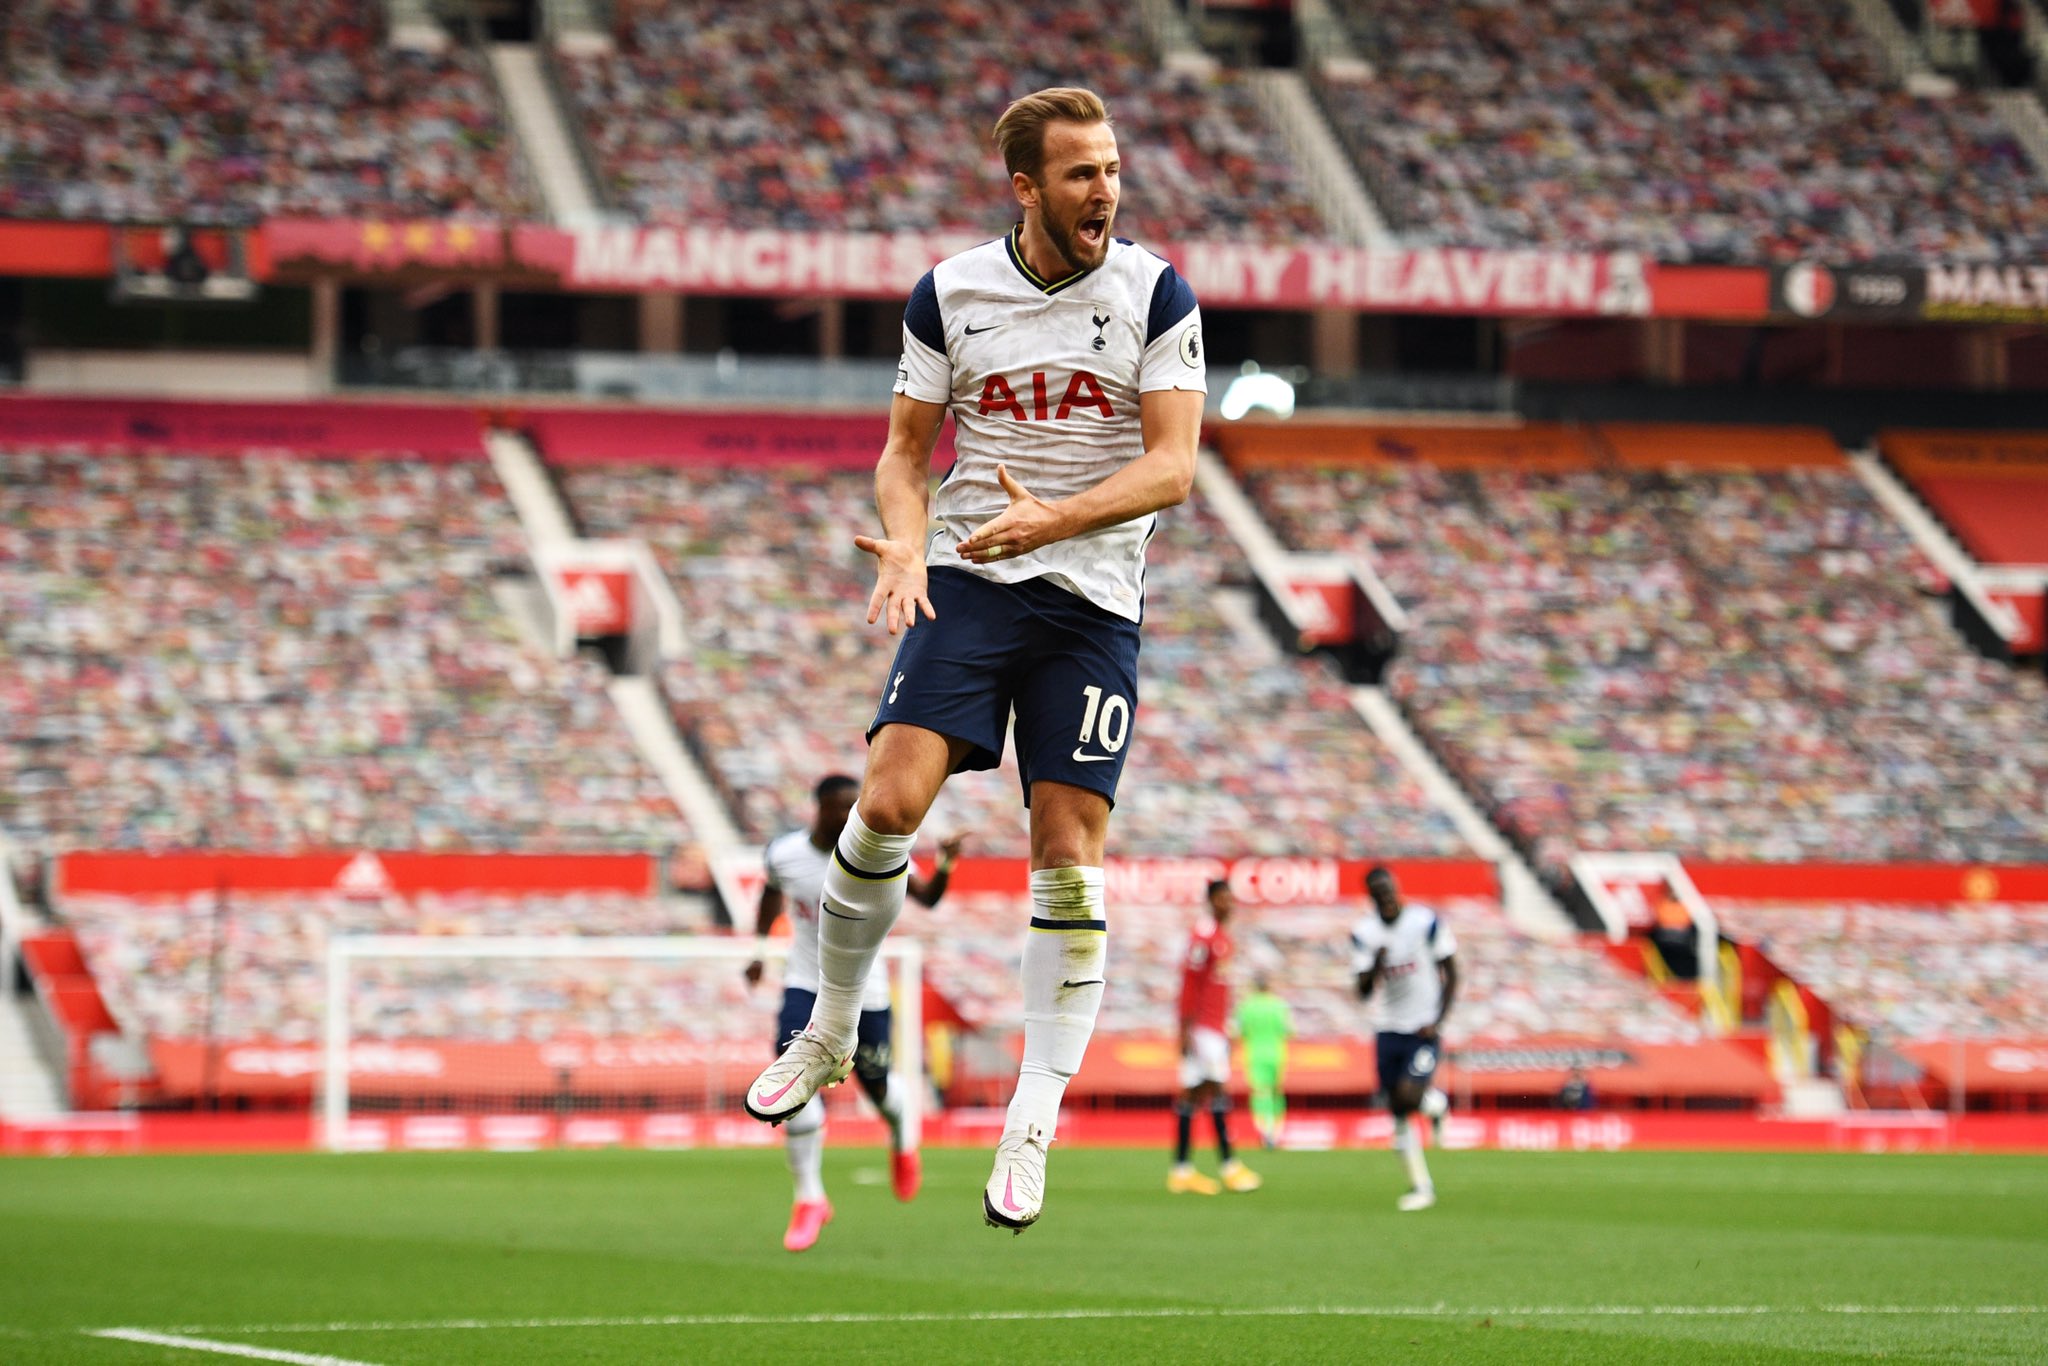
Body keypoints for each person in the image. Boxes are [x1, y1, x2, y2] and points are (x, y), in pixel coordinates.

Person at [742, 84, 1207, 1236]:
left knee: (1065, 848)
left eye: (1111, 169)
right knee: (886, 800)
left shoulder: (1154, 292)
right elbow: (904, 454)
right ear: (1025, 187)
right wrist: (907, 538)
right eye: (1081, 174)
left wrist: (1049, 520)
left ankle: (1031, 1112)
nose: (1106, 191)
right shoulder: (949, 292)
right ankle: (831, 1028)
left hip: (1089, 601)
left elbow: (1174, 467)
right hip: (966, 579)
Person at [745, 774, 965, 1252]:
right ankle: (810, 1198)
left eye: (854, 806)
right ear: (818, 808)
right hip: (806, 986)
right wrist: (760, 949)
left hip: (868, 994)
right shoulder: (784, 855)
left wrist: (945, 864)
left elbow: (927, 898)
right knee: (789, 1084)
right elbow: (769, 895)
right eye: (839, 807)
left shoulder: (874, 853)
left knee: (879, 1089)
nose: (849, 816)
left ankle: (902, 1136)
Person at [1351, 865, 1458, 1212]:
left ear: (1397, 889)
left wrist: (1439, 1020)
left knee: (1408, 1095)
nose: (1386, 897)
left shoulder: (1424, 922)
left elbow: (1452, 970)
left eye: (1389, 889)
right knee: (1397, 1109)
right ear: (1371, 897)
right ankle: (1421, 1185)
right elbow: (1363, 991)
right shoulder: (1364, 934)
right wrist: (1376, 966)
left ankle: (1432, 1105)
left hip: (1422, 1029)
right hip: (1387, 1028)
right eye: (1378, 893)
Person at [1170, 880, 1261, 1195]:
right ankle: (1229, 1166)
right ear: (1211, 901)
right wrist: (1184, 1029)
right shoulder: (1204, 936)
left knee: (1192, 1095)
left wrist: (1229, 1027)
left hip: (1215, 1027)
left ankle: (1181, 1170)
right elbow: (1189, 983)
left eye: (1230, 898)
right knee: (1217, 1090)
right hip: (1202, 1028)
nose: (1229, 904)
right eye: (1222, 898)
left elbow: (1220, 987)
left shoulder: (1223, 938)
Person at [1236, 972, 1293, 1150]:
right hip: (1277, 1053)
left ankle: (1264, 1130)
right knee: (1276, 1091)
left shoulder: (1246, 1006)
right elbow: (1289, 1030)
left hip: (1255, 1054)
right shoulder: (1278, 1005)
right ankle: (1276, 1131)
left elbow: (1240, 1032)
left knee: (1260, 1093)